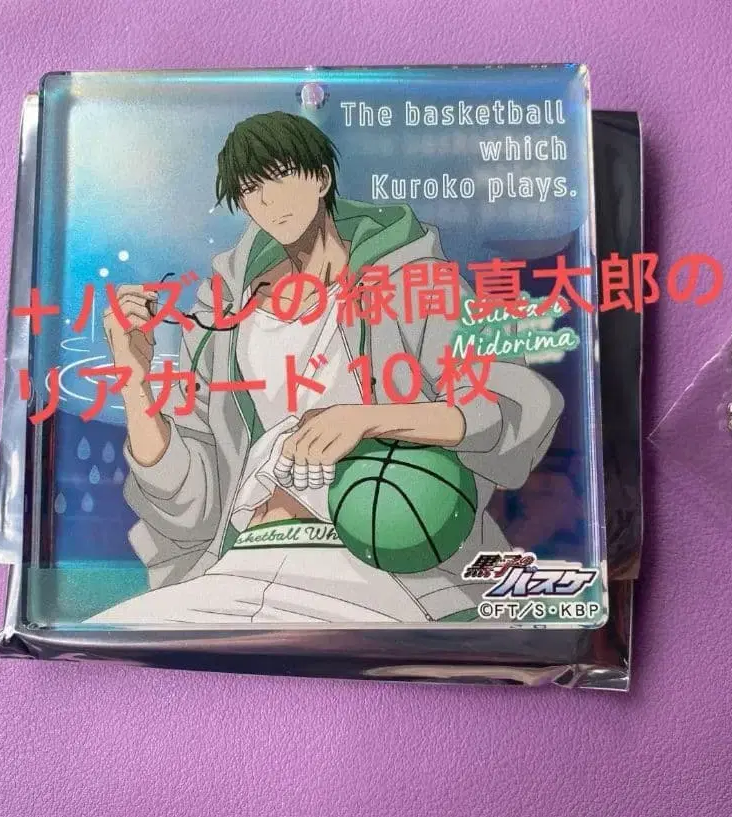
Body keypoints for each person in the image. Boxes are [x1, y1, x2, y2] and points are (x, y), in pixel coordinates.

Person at [89, 111, 563, 625]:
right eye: (251, 190)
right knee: (113, 629)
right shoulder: (223, 313)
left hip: (381, 559)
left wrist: (368, 420)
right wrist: (133, 377)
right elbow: (189, 502)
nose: (269, 201)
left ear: (320, 177)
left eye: (281, 177)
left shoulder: (410, 279)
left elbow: (511, 406)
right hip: (245, 557)